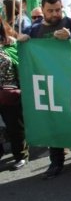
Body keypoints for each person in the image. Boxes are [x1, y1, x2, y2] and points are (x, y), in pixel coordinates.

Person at [18, 0, 71, 179]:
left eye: (58, 9)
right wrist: (23, 41)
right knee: (53, 122)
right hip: (48, 85)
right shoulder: (33, 30)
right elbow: (24, 51)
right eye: (50, 11)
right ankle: (56, 161)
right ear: (42, 10)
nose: (55, 14)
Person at [0, 18, 28, 172]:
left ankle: (21, 156)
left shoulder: (10, 44)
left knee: (14, 127)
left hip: (9, 93)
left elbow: (21, 64)